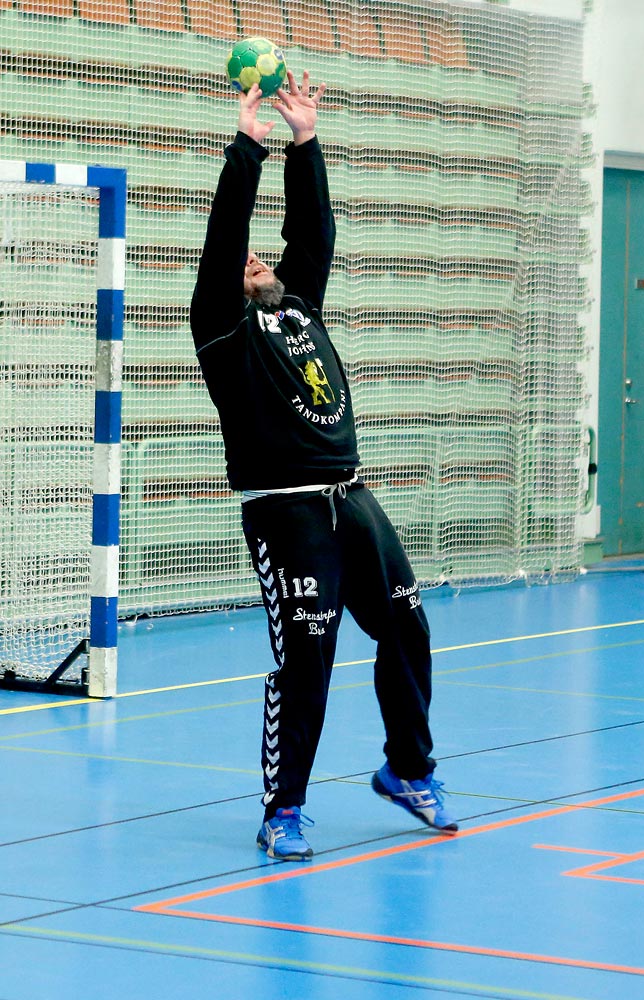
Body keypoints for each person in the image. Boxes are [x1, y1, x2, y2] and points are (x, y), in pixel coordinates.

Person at [190, 73, 458, 861]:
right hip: (286, 511)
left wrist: (304, 139)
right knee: (306, 658)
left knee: (406, 627)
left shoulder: (298, 301)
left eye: (258, 259)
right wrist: (248, 148)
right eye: (241, 264)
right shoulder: (221, 332)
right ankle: (284, 810)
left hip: (354, 498)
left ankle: (408, 771)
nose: (252, 263)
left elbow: (313, 233)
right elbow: (220, 239)